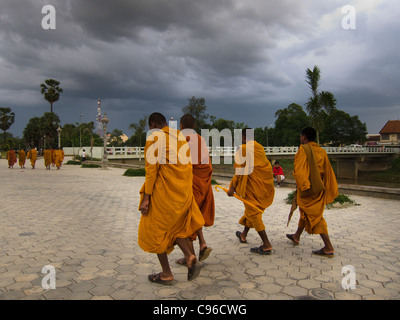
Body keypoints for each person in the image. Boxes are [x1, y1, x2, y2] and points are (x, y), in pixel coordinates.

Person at [138, 112, 205, 284]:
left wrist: (147, 198)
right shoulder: (179, 136)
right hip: (182, 192)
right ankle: (189, 256)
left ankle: (166, 274)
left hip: (164, 193)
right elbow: (188, 164)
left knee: (157, 230)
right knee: (174, 227)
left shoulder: (154, 138)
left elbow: (151, 171)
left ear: (152, 125)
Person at [286, 127, 338, 258]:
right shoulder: (321, 151)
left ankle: (328, 247)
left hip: (308, 189)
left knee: (315, 216)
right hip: (319, 187)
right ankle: (296, 236)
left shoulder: (303, 149)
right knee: (305, 212)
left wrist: (304, 187)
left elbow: (300, 171)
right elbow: (327, 171)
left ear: (303, 136)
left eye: (301, 136)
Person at [227, 128, 275, 255]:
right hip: (263, 186)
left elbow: (239, 171)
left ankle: (266, 244)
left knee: (253, 213)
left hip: (252, 187)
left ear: (243, 137)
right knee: (251, 209)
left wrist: (232, 188)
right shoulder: (259, 147)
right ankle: (243, 235)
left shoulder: (243, 149)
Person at [175, 114, 215, 264]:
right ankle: (202, 244)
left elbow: (178, 164)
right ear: (195, 126)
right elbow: (207, 164)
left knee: (187, 218)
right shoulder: (201, 139)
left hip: (189, 183)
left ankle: (189, 257)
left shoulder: (180, 139)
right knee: (194, 213)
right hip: (203, 183)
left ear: (180, 125)